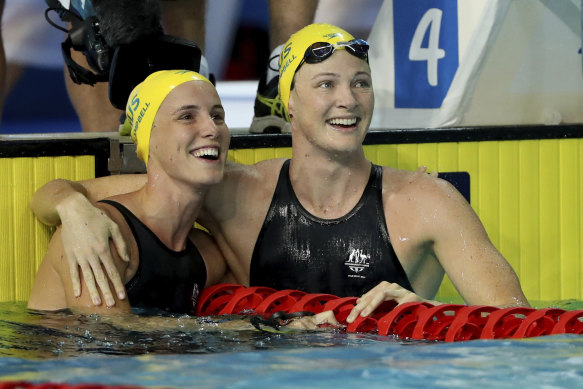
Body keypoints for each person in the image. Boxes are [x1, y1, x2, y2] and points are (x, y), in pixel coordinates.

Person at [30, 24, 530, 324]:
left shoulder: (428, 202)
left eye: (361, 83)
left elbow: (520, 330)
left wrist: (425, 309)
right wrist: (74, 211)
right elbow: (68, 194)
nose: (348, 100)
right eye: (326, 83)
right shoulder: (233, 191)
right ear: (288, 102)